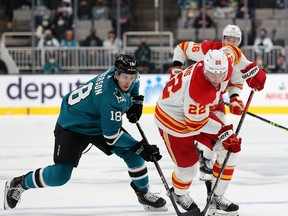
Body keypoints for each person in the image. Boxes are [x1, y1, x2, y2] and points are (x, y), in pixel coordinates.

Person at [4, 54, 167, 212]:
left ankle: (143, 194)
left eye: (131, 77)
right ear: (116, 73)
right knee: (61, 175)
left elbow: (135, 81)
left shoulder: (122, 73)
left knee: (134, 157)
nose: (128, 81)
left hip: (96, 120)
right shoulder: (110, 97)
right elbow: (111, 136)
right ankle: (20, 183)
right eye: (125, 78)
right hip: (72, 124)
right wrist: (140, 146)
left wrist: (137, 100)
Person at [168, 24, 266, 183]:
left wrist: (234, 98)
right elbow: (182, 48)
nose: (232, 43)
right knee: (198, 127)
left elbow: (236, 82)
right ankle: (199, 158)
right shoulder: (208, 49)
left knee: (221, 131)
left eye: (235, 40)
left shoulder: (237, 58)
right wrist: (176, 67)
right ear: (223, 39)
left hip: (215, 100)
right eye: (229, 39)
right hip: (194, 98)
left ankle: (206, 161)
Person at [155, 49, 242, 215]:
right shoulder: (198, 90)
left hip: (195, 112)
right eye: (213, 74)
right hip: (173, 119)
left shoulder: (224, 65)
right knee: (189, 169)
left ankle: (217, 196)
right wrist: (224, 131)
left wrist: (251, 74)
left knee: (230, 150)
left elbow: (235, 54)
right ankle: (179, 194)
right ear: (204, 69)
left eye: (221, 74)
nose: (217, 79)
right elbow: (195, 124)